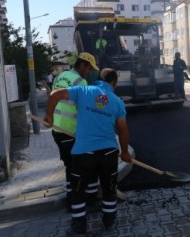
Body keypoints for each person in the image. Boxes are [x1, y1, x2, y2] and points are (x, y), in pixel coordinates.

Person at [44, 68, 133, 234]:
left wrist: (49, 115)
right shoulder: (117, 101)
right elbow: (123, 130)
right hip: (108, 153)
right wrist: (126, 153)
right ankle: (109, 220)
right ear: (114, 82)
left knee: (78, 190)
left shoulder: (84, 91)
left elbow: (55, 94)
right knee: (109, 187)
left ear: (99, 78)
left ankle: (79, 225)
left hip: (84, 153)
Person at [50, 52, 100, 211]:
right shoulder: (81, 82)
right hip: (71, 130)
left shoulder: (61, 76)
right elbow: (85, 110)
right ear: (83, 64)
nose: (90, 72)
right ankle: (88, 201)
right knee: (87, 166)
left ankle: (71, 199)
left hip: (57, 129)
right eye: (89, 68)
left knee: (70, 166)